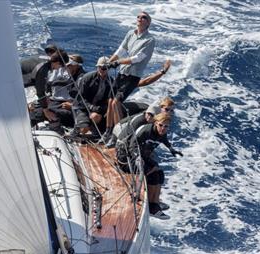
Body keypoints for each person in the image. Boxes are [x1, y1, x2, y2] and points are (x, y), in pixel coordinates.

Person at [117, 112, 182, 219]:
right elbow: (132, 145)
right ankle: (152, 208)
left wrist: (171, 149)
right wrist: (137, 157)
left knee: (160, 173)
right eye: (161, 125)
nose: (163, 128)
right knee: (153, 174)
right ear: (156, 123)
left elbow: (164, 139)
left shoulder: (161, 133)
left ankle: (155, 202)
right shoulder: (146, 131)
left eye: (166, 126)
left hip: (142, 156)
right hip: (127, 158)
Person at [103, 11, 156, 141]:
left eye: (144, 17)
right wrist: (108, 63)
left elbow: (138, 58)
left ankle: (120, 135)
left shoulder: (150, 40)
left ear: (148, 22)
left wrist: (118, 62)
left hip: (132, 76)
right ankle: (108, 132)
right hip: (122, 73)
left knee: (116, 102)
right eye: (138, 16)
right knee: (110, 101)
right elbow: (121, 51)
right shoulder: (130, 34)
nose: (140, 18)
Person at [72, 56, 114, 136]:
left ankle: (92, 127)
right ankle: (79, 128)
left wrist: (101, 109)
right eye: (100, 67)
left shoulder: (111, 82)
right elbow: (80, 98)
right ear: (97, 67)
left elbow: (109, 100)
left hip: (97, 110)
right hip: (82, 108)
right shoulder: (87, 78)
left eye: (105, 68)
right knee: (83, 130)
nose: (103, 70)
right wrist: (91, 107)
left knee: (96, 117)